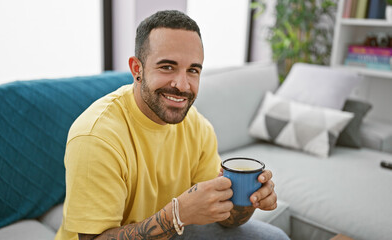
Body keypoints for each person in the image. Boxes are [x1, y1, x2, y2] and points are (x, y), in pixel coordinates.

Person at [55, 10, 289, 240]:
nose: (182, 85)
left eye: (193, 70)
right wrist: (176, 215)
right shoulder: (96, 137)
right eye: (167, 67)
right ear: (137, 69)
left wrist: (249, 200)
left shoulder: (197, 126)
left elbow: (227, 220)